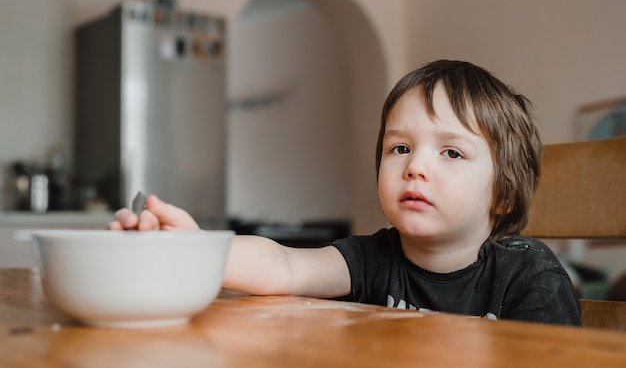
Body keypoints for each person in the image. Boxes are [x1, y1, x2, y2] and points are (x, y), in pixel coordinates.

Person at [108, 60, 582, 326]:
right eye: (400, 147)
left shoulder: (529, 276)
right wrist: (196, 248)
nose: (415, 166)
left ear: (502, 193)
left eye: (451, 153)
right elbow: (285, 266)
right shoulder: (376, 257)